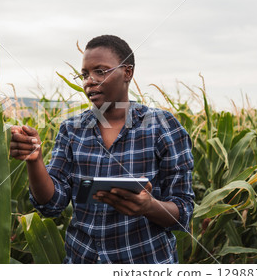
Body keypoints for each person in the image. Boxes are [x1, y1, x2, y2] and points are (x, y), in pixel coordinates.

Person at [10, 35, 194, 264]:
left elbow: (183, 211)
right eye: (85, 74)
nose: (89, 81)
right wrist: (34, 159)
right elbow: (51, 205)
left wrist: (149, 206)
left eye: (101, 71)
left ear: (127, 72)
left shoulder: (163, 127)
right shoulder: (71, 130)